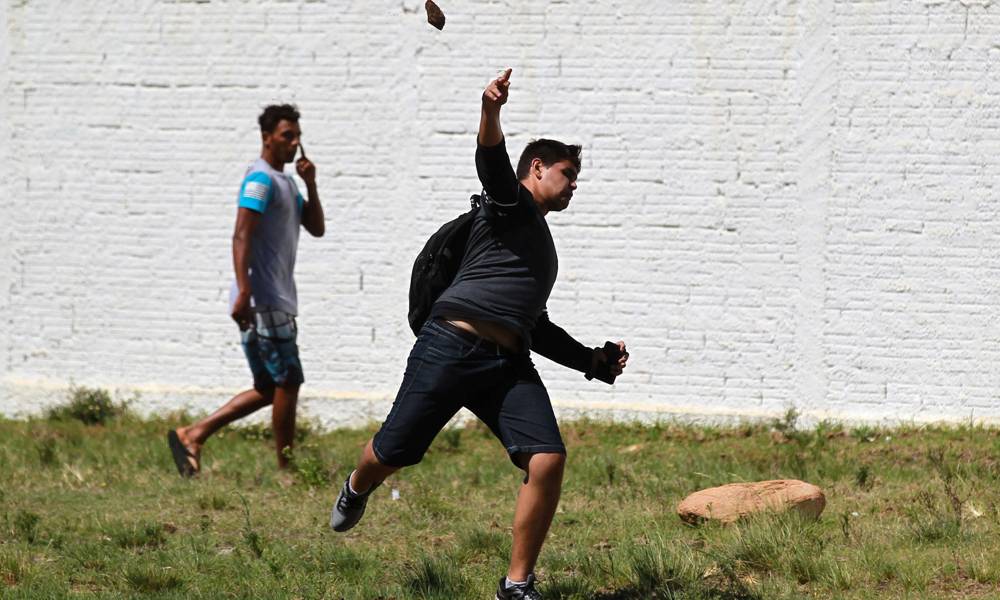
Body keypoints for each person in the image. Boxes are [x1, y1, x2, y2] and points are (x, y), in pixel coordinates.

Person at [329, 69, 629, 600]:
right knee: (392, 452)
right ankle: (357, 486)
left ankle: (516, 585)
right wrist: (490, 111)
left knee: (548, 457)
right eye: (567, 172)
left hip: (506, 365)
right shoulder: (508, 204)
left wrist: (592, 361)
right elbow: (491, 162)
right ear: (536, 168)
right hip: (449, 346)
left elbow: (535, 326)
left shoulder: (539, 246)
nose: (574, 183)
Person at [167, 104, 325, 476]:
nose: (294, 142)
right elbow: (241, 234)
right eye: (287, 135)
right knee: (288, 380)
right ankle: (287, 470)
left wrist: (311, 184)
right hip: (263, 297)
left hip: (276, 298)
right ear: (267, 137)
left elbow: (316, 227)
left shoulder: (284, 181)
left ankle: (193, 434)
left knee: (270, 386)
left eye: (297, 135)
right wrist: (243, 290)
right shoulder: (260, 179)